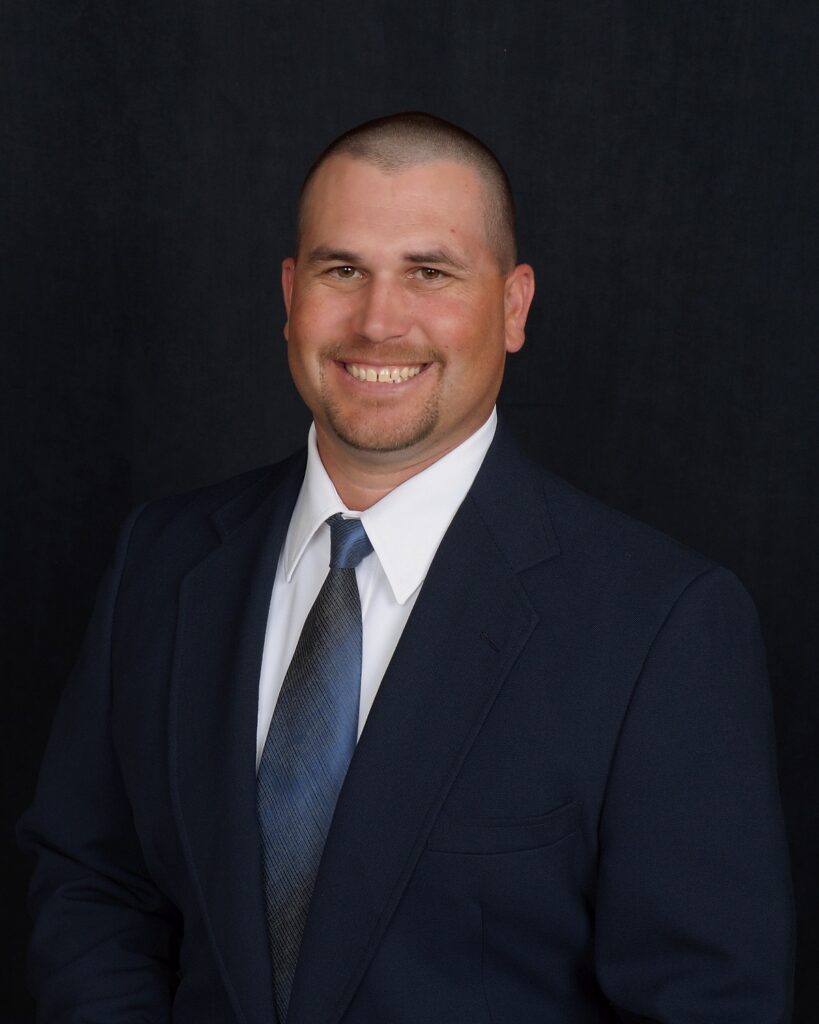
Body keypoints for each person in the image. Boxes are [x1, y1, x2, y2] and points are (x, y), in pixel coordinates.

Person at [19, 112, 794, 1023]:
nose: (378, 321)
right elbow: (95, 885)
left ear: (512, 307)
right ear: (290, 293)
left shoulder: (660, 625)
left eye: (429, 272)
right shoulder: (162, 559)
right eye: (342, 270)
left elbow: (705, 1001)